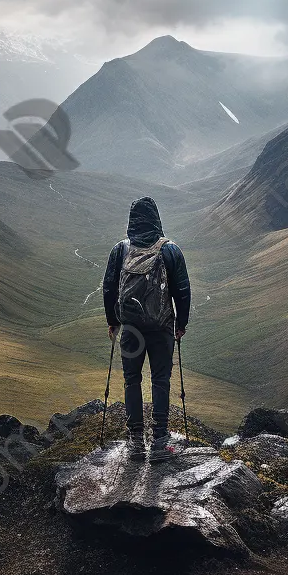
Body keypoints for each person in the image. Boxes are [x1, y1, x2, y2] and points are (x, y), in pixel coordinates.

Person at [102, 196, 191, 461]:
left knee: (132, 380)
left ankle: (135, 441)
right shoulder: (170, 250)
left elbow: (108, 288)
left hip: (131, 330)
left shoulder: (120, 250)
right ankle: (160, 441)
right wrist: (181, 325)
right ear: (157, 219)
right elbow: (183, 290)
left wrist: (113, 321)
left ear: (131, 221)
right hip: (162, 327)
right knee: (160, 380)